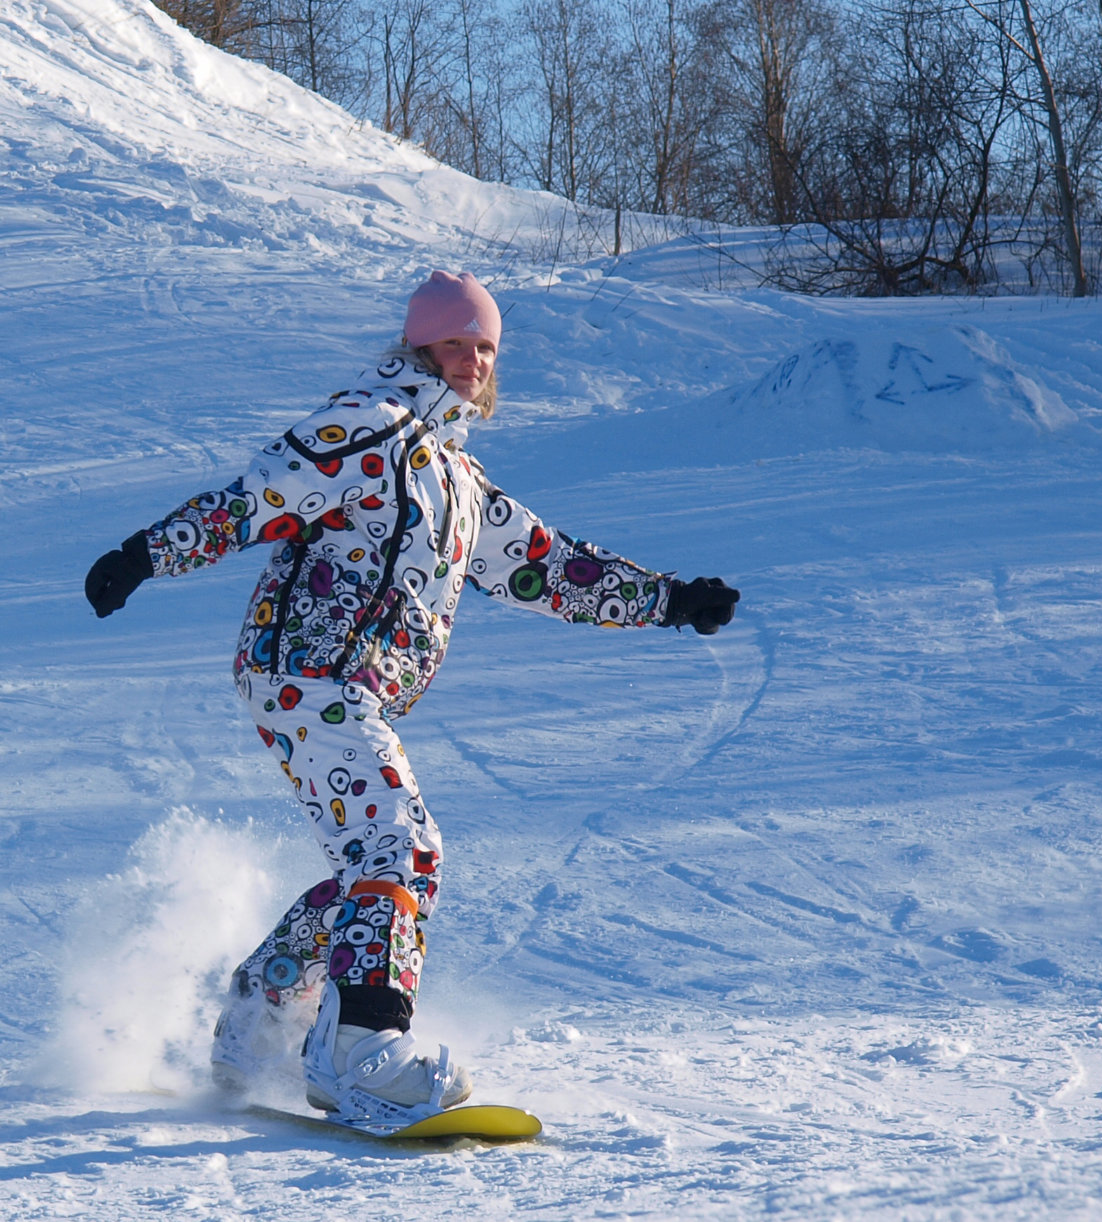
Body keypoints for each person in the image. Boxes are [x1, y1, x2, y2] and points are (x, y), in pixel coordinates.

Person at [81, 271, 741, 1128]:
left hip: (347, 691)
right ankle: (358, 1049)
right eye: (455, 343)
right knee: (403, 843)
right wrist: (143, 555)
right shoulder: (366, 425)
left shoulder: (457, 481)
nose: (471, 360)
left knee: (374, 865)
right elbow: (255, 500)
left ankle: (259, 1014)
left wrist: (671, 599)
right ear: (418, 346)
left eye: (485, 347)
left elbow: (551, 568)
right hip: (307, 673)